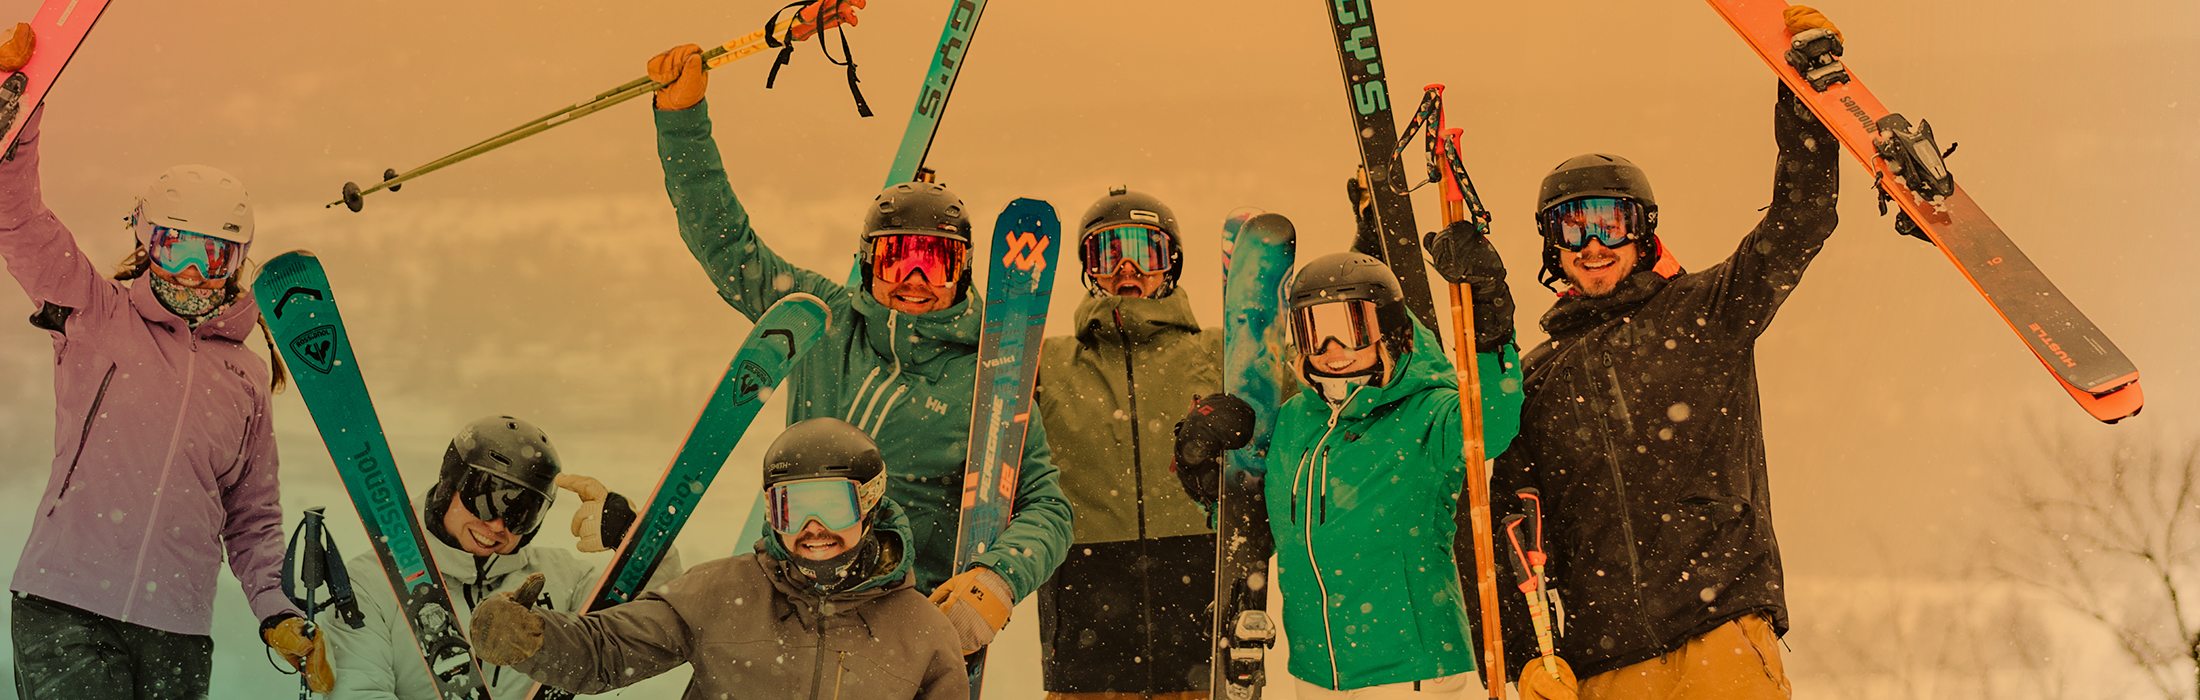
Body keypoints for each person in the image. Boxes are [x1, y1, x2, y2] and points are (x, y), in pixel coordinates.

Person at [1456, 7, 1846, 699]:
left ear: (1643, 232)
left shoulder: (1707, 311)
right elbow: (1499, 523)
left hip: (1720, 629)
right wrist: (1520, 657)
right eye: (1571, 229)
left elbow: (1799, 221)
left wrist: (1808, 95)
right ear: (1552, 249)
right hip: (1606, 661)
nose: (1593, 244)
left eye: (1611, 221)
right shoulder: (1539, 379)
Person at [641, 40, 1073, 660]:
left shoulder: (989, 375)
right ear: (869, 264)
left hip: (900, 620)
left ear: (964, 272)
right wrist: (682, 118)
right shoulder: (824, 321)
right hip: (790, 597)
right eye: (898, 256)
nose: (916, 277)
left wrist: (997, 582)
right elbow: (725, 243)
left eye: (937, 260)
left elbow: (1048, 505)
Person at [0, 50, 324, 695]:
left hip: (177, 629)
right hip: (64, 606)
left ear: (237, 261)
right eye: (176, 246)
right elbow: (18, 218)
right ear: (146, 240)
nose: (193, 274)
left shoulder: (246, 377)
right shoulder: (94, 312)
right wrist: (16, 118)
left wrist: (277, 610)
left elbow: (252, 517)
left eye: (215, 253)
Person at [1173, 251, 1520, 699]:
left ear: (1389, 330)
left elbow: (1493, 420)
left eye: (1353, 327)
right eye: (1315, 331)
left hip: (1412, 676)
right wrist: (1201, 467)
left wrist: (1492, 332)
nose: (1333, 349)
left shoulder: (1429, 412)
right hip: (1316, 676)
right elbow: (1263, 524)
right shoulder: (1296, 420)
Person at [467, 417, 969, 700]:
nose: (813, 530)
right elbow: (609, 650)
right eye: (791, 508)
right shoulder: (722, 592)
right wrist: (534, 639)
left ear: (870, 502)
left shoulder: (922, 633)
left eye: (832, 506)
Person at [320, 415, 681, 699]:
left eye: (522, 512)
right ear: (449, 485)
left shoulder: (560, 577)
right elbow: (358, 691)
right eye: (487, 497)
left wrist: (636, 542)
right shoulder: (370, 582)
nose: (497, 524)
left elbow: (659, 630)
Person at [1034, 188, 1228, 699]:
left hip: (1198, 619)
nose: (1127, 268)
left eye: (1147, 252)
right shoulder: (1048, 365)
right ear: (1088, 270)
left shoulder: (1219, 352)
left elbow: (1338, 379)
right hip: (1085, 630)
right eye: (1107, 253)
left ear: (1172, 264)